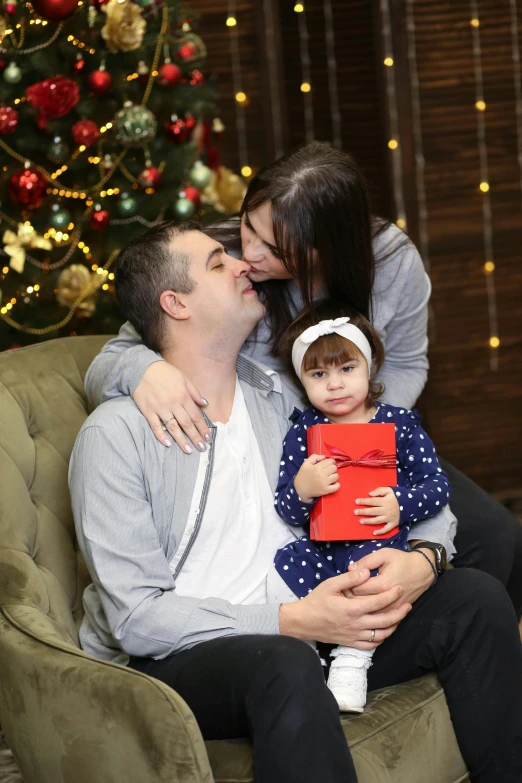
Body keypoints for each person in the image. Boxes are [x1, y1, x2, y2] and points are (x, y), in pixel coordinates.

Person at [70, 221, 522, 783]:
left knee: (476, 599)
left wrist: (423, 559)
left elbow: (404, 479)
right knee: (284, 663)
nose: (242, 264)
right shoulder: (116, 436)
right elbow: (137, 619)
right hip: (185, 653)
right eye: (217, 262)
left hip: (313, 609)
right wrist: (293, 622)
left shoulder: (283, 394)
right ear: (175, 303)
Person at [83, 142, 522, 618]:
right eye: (249, 223)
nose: (248, 255)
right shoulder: (218, 261)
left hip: (369, 439)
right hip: (286, 457)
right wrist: (144, 369)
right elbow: (118, 354)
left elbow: (409, 363)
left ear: (329, 247)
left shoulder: (393, 261)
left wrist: (358, 428)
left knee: (497, 538)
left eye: (275, 249)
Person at [269, 303, 450, 712]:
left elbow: (437, 487)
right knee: (281, 565)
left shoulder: (399, 424)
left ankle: (351, 663)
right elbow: (286, 506)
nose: (334, 384)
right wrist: (303, 488)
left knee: (372, 582)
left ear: (368, 370)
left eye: (346, 369)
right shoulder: (303, 432)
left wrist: (400, 503)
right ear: (303, 381)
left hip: (376, 551)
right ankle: (308, 655)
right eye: (319, 375)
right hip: (322, 549)